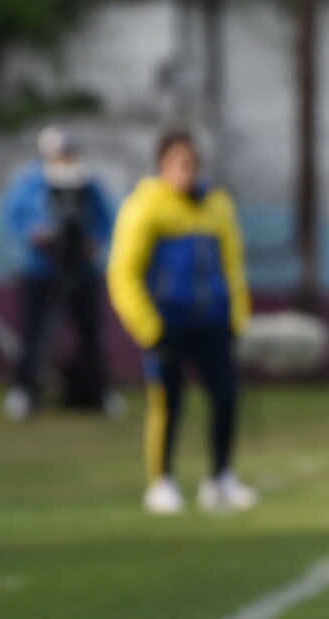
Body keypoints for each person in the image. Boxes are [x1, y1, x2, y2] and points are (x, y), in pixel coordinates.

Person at [107, 130, 257, 515]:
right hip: (167, 323)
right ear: (162, 166)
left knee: (225, 399)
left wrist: (237, 316)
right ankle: (162, 482)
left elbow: (233, 266)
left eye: (190, 163)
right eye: (177, 163)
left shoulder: (217, 205)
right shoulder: (146, 207)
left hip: (213, 321)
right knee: (167, 402)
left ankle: (220, 477)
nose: (185, 171)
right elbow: (124, 273)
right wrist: (149, 327)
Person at [3, 125, 118, 419]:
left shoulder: (87, 180)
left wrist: (95, 243)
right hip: (42, 270)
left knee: (90, 332)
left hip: (82, 268)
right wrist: (35, 235)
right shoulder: (32, 181)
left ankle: (101, 390)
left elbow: (107, 219)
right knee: (35, 334)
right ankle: (26, 391)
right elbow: (16, 218)